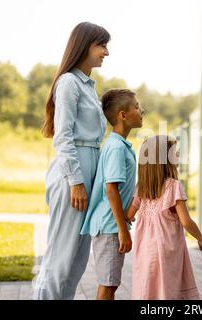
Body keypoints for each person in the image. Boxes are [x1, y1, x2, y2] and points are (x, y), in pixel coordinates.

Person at [33, 22, 110, 300]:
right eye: (102, 45)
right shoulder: (68, 83)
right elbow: (62, 137)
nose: (106, 52)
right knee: (61, 258)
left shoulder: (88, 86)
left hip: (88, 169)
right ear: (85, 45)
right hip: (72, 173)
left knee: (76, 261)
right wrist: (76, 181)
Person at [125, 135, 202, 300]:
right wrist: (201, 239)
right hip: (166, 253)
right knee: (167, 291)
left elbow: (128, 215)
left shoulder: (141, 189)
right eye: (174, 153)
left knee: (148, 289)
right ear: (164, 160)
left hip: (145, 252)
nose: (178, 155)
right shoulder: (173, 186)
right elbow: (186, 221)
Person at [80, 89, 144, 300]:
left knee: (110, 284)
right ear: (122, 115)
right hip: (110, 226)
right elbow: (111, 189)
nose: (141, 110)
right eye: (136, 107)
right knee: (108, 285)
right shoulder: (116, 148)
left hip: (111, 224)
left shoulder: (119, 145)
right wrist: (122, 230)